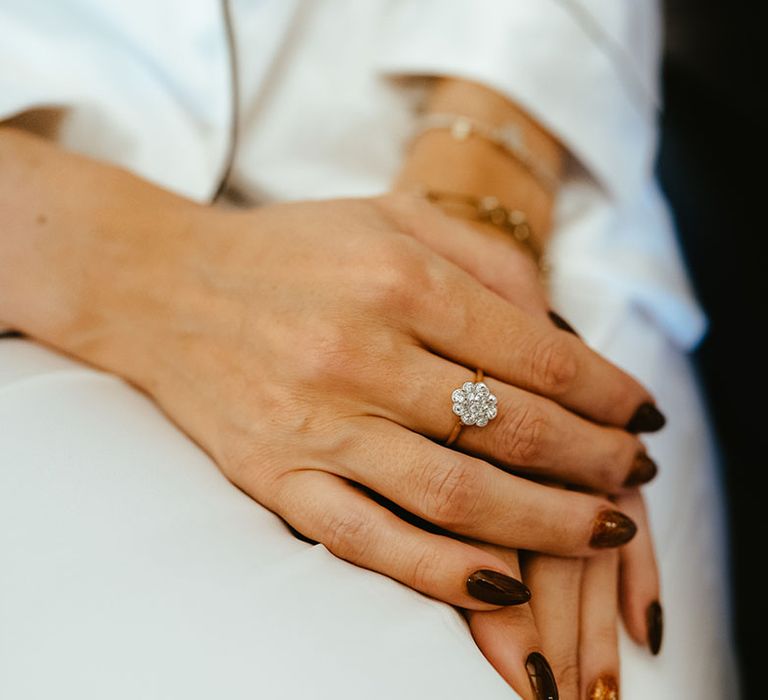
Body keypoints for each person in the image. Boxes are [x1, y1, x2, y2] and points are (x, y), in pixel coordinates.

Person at [0, 1, 737, 698]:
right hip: (36, 262)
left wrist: (482, 191)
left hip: (492, 133)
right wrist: (160, 278)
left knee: (598, 649)